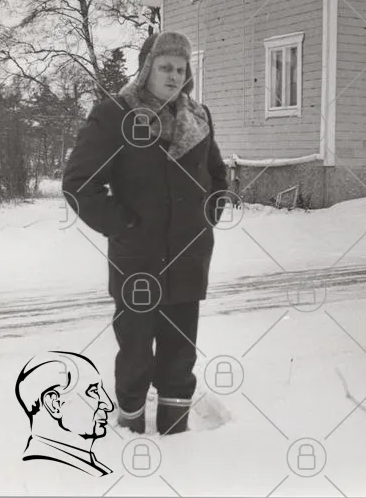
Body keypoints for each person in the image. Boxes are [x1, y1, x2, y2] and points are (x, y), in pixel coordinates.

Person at [62, 31, 229, 435]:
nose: (174, 76)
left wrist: (205, 220)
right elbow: (79, 183)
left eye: (181, 69)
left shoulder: (199, 117)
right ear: (146, 69)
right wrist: (122, 226)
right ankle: (129, 431)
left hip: (187, 257)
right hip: (138, 258)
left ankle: (177, 436)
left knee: (180, 354)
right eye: (165, 67)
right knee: (135, 352)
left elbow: (217, 177)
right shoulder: (115, 115)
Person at [15, 352, 114, 476]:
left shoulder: (87, 467)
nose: (108, 405)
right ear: (54, 404)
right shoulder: (46, 472)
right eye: (93, 391)